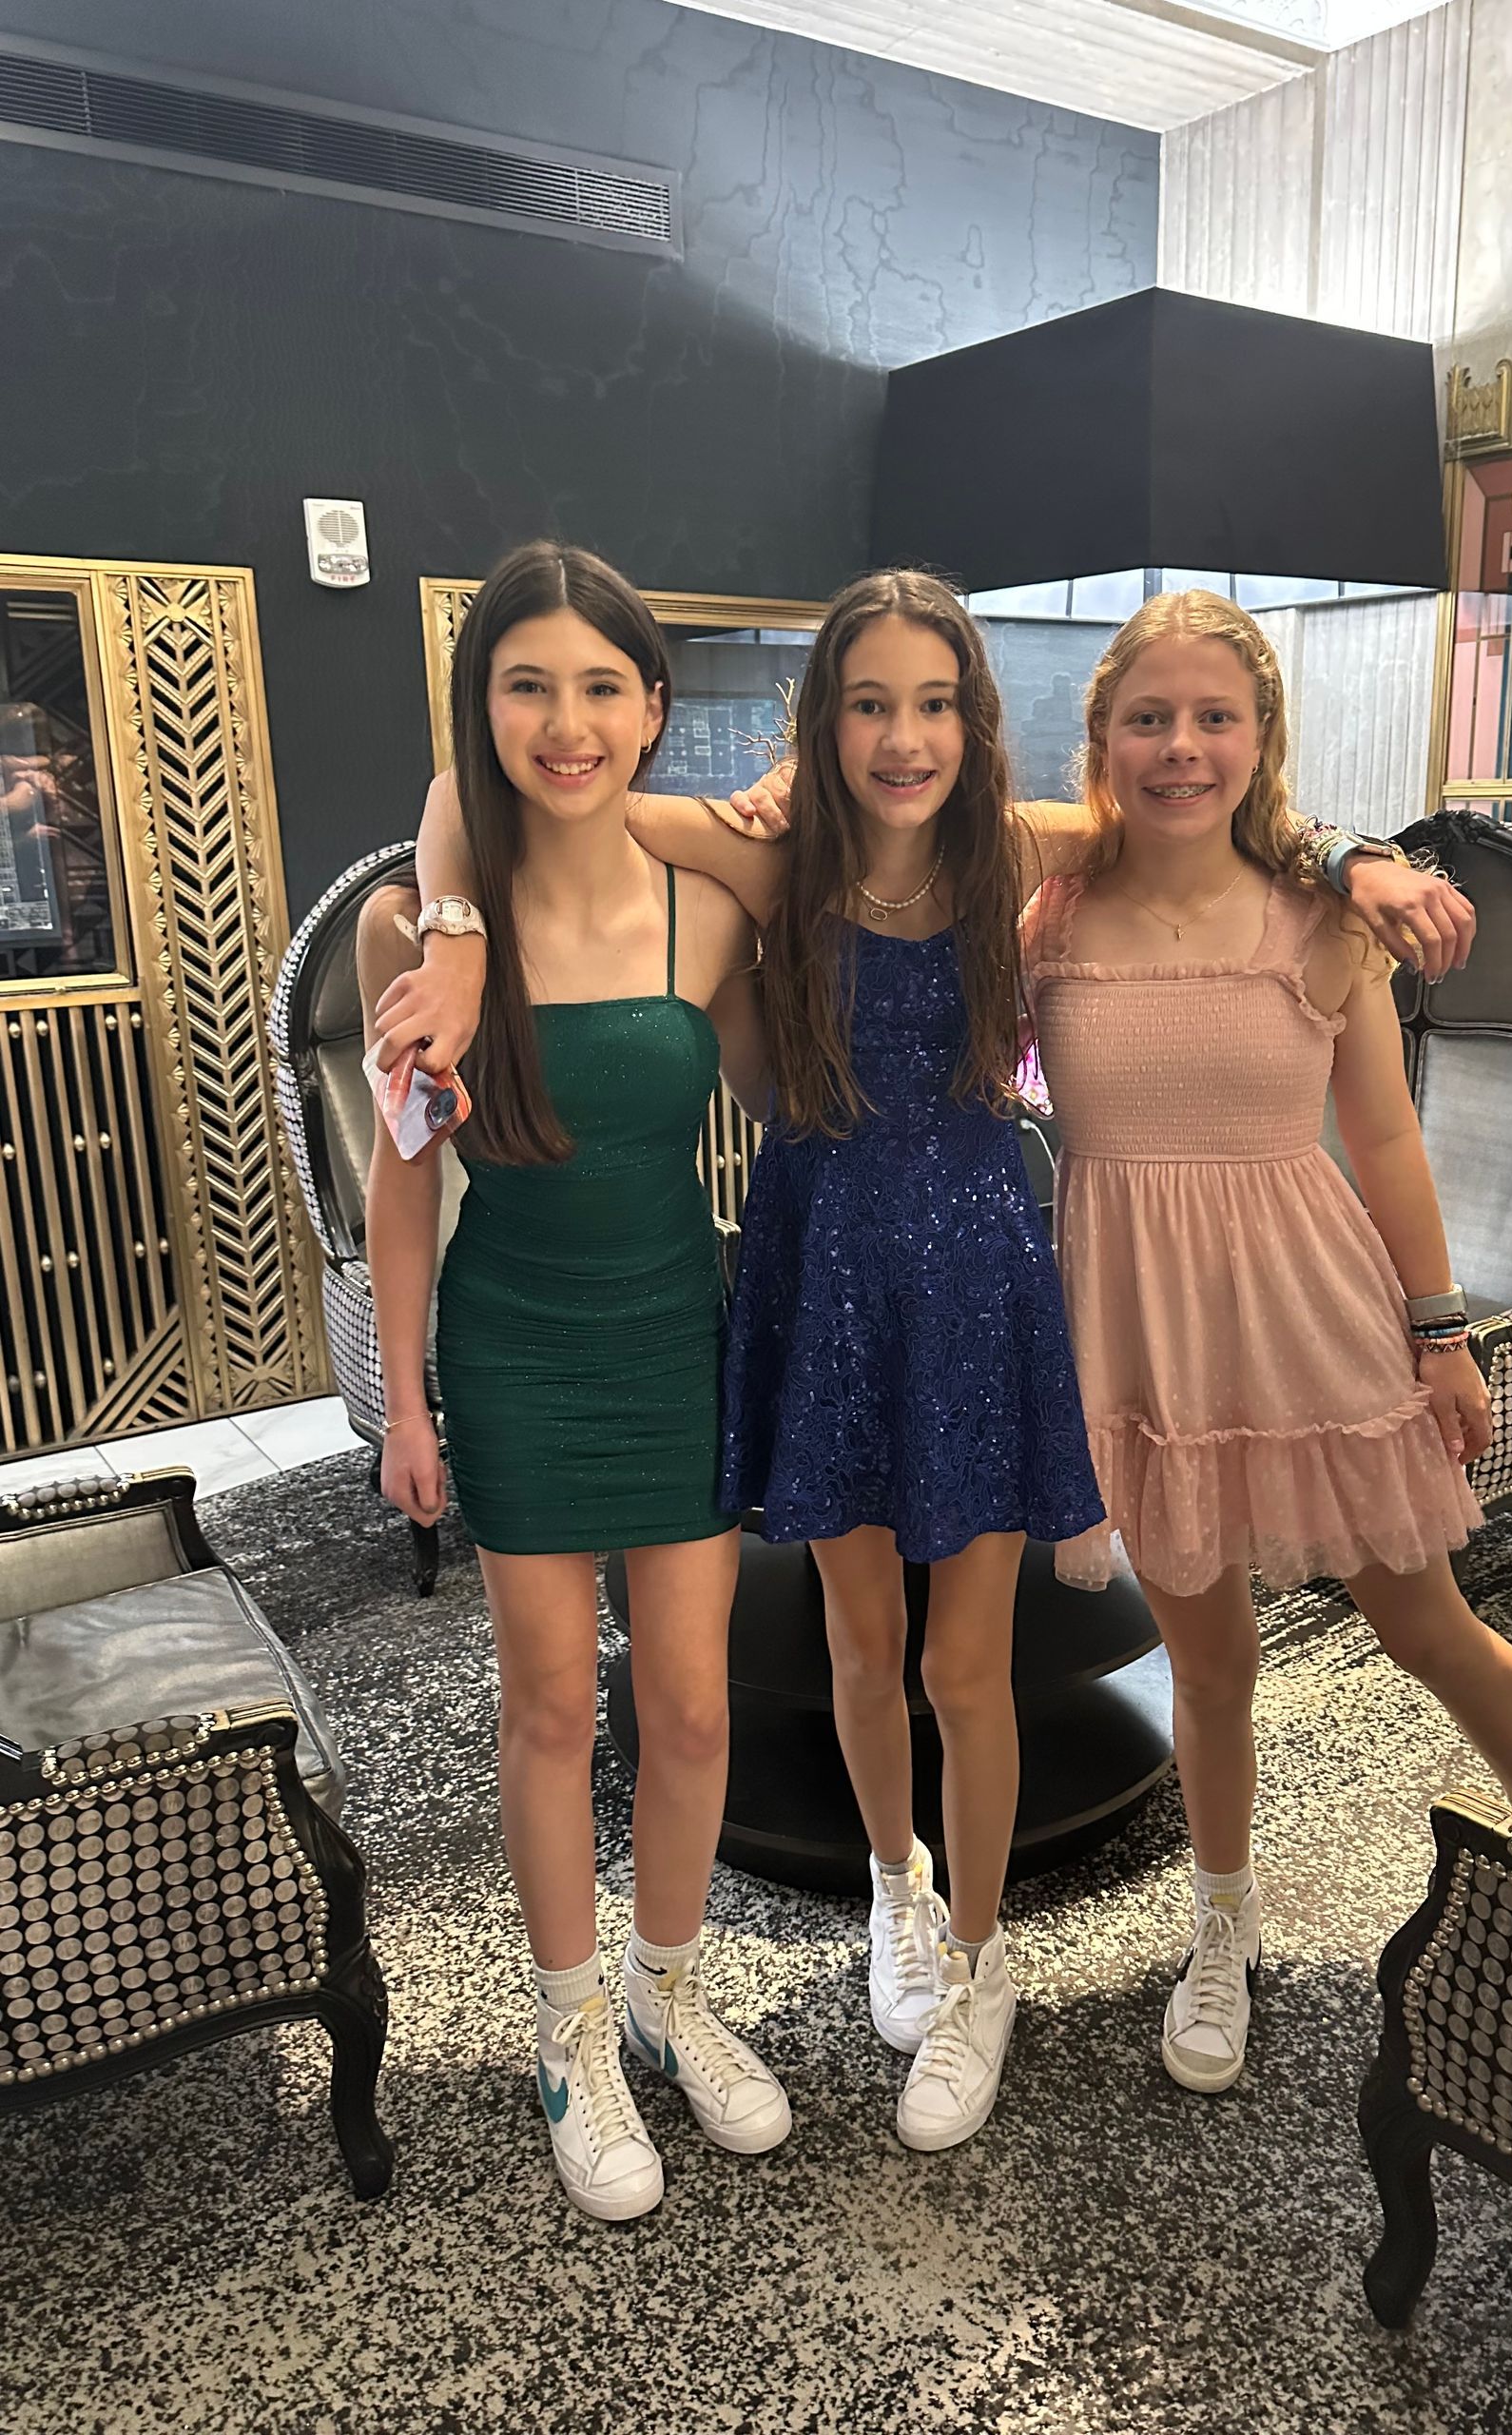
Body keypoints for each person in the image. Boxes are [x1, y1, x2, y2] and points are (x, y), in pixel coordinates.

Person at [376, 571, 1484, 2153]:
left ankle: (979, 1957)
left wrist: (1357, 854)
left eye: (935, 704)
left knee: (969, 1661)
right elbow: (470, 796)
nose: (904, 738)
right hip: (820, 1265)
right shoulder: (759, 855)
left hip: (976, 1274)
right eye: (868, 704)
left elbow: (1202, 811)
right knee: (858, 1636)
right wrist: (455, 930)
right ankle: (891, 1888)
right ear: (818, 723)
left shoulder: (1014, 852)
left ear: (976, 721)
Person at [1020, 589, 1512, 2097]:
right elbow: (935, 834)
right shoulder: (1050, 914)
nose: (1181, 748)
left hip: (1314, 1314)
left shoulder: (1322, 919)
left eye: (1216, 718)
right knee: (1206, 1664)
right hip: (1139, 1333)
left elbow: (1383, 1137)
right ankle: (1222, 1923)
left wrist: (1441, 1332)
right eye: (1148, 718)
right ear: (1102, 738)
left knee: (1428, 1626)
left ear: (1261, 740)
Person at [361, 540, 789, 2223]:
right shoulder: (417, 928)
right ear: (481, 709)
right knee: (551, 1705)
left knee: (691, 1705)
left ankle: (670, 1995)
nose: (567, 722)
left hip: (679, 1331)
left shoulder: (709, 906)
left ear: (653, 708)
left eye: (601, 685)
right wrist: (406, 1402)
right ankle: (568, 2030)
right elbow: (405, 1185)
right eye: (526, 685)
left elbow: (792, 1090)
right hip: (520, 1344)